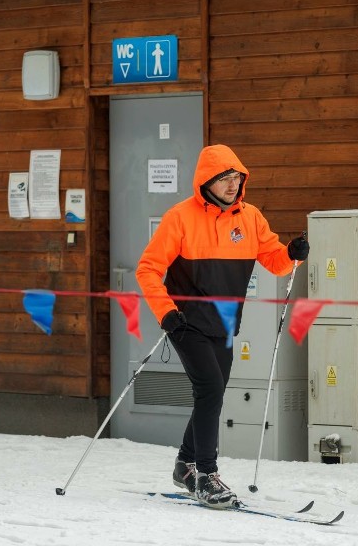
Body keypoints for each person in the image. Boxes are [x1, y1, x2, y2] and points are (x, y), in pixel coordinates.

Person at [135, 144, 310, 508]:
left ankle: (184, 464)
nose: (232, 185)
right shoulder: (179, 218)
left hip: (225, 323)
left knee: (211, 394)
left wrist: (291, 253)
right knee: (210, 387)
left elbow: (274, 261)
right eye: (224, 178)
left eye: (236, 178)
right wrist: (166, 314)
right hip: (184, 322)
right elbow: (148, 269)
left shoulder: (251, 219)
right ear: (206, 182)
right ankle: (205, 475)